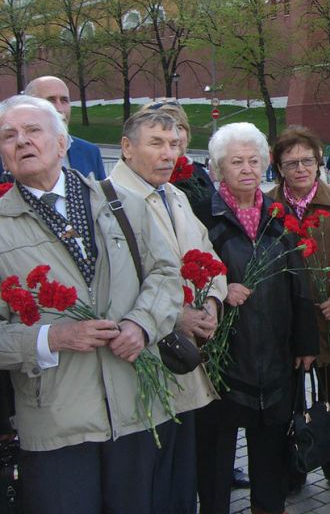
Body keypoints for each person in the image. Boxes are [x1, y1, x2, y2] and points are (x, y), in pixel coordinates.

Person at [0, 95, 181, 513]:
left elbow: (166, 276)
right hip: (57, 422)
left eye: (33, 130)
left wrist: (141, 325)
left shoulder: (120, 204)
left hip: (136, 408)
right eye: (9, 136)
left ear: (63, 142)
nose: (22, 141)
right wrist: (51, 338)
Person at [194, 122, 318, 514]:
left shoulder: (278, 216)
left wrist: (306, 342)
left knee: (271, 448)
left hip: (275, 351)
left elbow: (299, 281)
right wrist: (221, 287)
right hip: (222, 357)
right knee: (216, 449)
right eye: (236, 162)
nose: (247, 169)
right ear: (219, 168)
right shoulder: (203, 217)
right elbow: (187, 274)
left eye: (253, 160)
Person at [109, 108, 227, 514]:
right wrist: (178, 315)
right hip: (141, 362)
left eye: (174, 144)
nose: (168, 153)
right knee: (148, 478)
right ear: (127, 148)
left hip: (183, 358)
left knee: (180, 476)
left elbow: (207, 254)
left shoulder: (174, 195)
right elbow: (113, 287)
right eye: (156, 143)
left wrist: (211, 301)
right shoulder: (109, 200)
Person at [266, 126, 330, 494]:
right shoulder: (268, 206)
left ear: (319, 162)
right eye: (291, 163)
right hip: (288, 319)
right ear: (279, 167)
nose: (300, 169)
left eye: (307, 161)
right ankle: (292, 470)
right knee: (289, 398)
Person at [0, 76, 106, 181]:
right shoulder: (8, 152)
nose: (59, 108)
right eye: (50, 101)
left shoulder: (90, 151)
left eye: (64, 100)